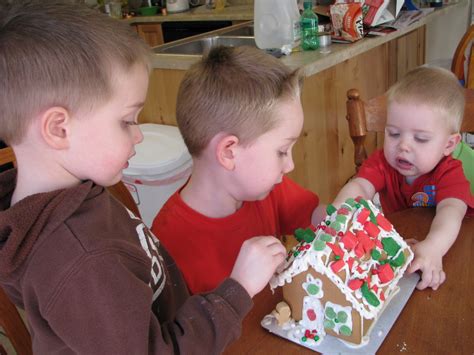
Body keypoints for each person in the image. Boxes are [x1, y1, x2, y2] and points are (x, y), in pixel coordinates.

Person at [0, 1, 287, 354]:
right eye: (126, 120)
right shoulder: (81, 260)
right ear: (59, 128)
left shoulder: (71, 195)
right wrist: (238, 289)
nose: (138, 135)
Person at [152, 46, 325, 294]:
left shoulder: (267, 190)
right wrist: (238, 288)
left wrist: (345, 212)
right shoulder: (168, 244)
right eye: (282, 151)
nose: (290, 165)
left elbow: (313, 216)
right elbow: (184, 331)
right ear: (229, 152)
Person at [333, 66, 474, 291]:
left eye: (420, 138)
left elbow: (452, 211)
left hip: (443, 251)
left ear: (449, 144)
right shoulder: (382, 162)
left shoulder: (448, 171)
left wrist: (434, 247)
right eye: (394, 133)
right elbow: (360, 185)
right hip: (396, 249)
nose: (403, 146)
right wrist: (340, 212)